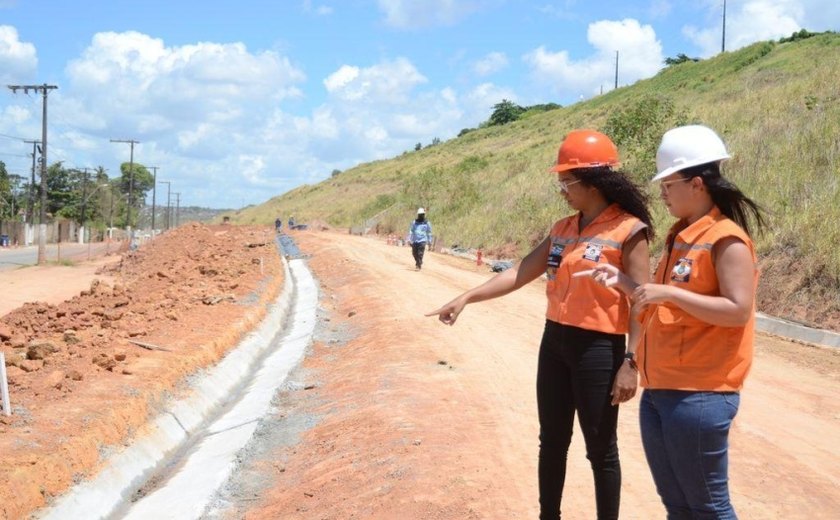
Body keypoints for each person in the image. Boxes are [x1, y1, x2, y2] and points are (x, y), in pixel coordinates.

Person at [426, 129, 654, 519]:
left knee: (601, 450)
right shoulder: (563, 229)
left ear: (592, 182)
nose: (562, 189)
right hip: (556, 344)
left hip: (599, 350)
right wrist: (466, 297)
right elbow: (519, 273)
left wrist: (630, 363)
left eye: (566, 181)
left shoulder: (629, 231)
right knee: (551, 442)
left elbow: (642, 302)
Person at [577, 125, 764, 518]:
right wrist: (626, 283)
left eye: (668, 185)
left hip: (700, 395)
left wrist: (670, 293)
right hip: (662, 390)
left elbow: (738, 310)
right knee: (678, 506)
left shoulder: (726, 240)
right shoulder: (681, 237)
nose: (661, 194)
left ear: (696, 183)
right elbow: (664, 305)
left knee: (709, 507)